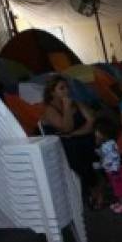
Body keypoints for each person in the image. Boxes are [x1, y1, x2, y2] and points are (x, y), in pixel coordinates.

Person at [41, 76, 103, 209]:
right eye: (61, 88)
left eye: (67, 87)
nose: (66, 91)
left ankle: (93, 188)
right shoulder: (50, 110)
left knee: (82, 148)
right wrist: (67, 108)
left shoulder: (77, 103)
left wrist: (73, 134)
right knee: (78, 152)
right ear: (52, 92)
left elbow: (91, 121)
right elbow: (66, 127)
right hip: (62, 146)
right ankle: (94, 188)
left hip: (81, 139)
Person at [94, 117, 122, 214]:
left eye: (98, 132)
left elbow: (109, 157)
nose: (96, 134)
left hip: (115, 170)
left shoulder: (107, 145)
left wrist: (103, 163)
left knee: (119, 188)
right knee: (117, 187)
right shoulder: (108, 144)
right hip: (112, 170)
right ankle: (120, 203)